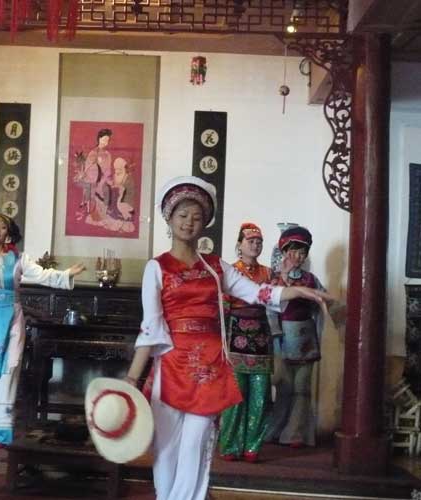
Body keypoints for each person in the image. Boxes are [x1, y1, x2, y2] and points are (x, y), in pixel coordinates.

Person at [123, 176, 332, 500]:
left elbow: (258, 292)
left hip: (210, 367)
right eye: (182, 215)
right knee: (166, 449)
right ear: (169, 218)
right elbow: (151, 326)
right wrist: (132, 378)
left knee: (196, 446)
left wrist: (298, 291)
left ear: (205, 223)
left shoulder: (216, 267)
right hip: (171, 367)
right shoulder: (157, 267)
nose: (189, 222)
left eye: (196, 217)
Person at [0, 210, 86, 448]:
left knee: (10, 371)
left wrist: (65, 275)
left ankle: (0, 430)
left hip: (13, 319)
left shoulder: (17, 258)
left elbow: (41, 275)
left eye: (3, 227)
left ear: (8, 233)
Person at [218, 223, 273, 463]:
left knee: (261, 395)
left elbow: (277, 302)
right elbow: (224, 307)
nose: (255, 245)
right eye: (251, 241)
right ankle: (230, 445)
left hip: (261, 337)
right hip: (235, 334)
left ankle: (253, 447)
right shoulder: (231, 272)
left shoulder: (268, 273)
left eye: (259, 241)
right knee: (235, 394)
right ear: (239, 245)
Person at [266, 226, 325, 448]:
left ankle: (295, 433)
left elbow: (321, 306)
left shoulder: (311, 280)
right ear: (283, 252)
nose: (297, 257)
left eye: (302, 252)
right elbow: (269, 310)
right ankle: (276, 428)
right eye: (292, 251)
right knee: (284, 387)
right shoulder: (274, 280)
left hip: (306, 337)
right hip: (283, 337)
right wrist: (276, 336)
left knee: (302, 389)